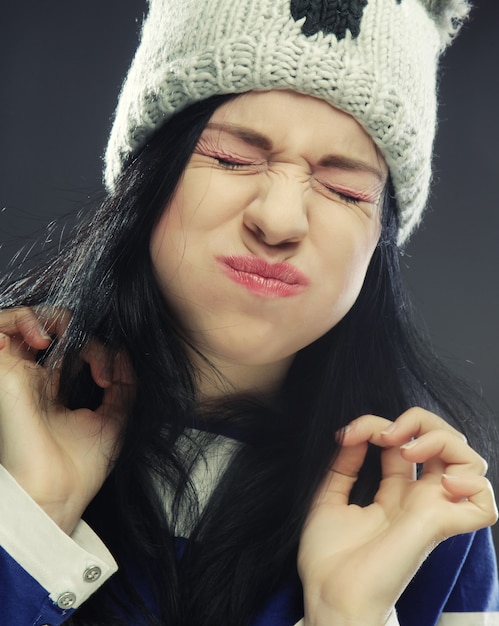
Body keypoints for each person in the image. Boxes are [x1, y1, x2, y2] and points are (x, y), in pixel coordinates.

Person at [0, 0, 497, 624]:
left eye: (345, 190)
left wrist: (346, 613)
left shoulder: (426, 514)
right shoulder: (9, 417)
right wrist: (31, 515)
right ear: (145, 177)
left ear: (380, 242)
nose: (280, 221)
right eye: (234, 159)